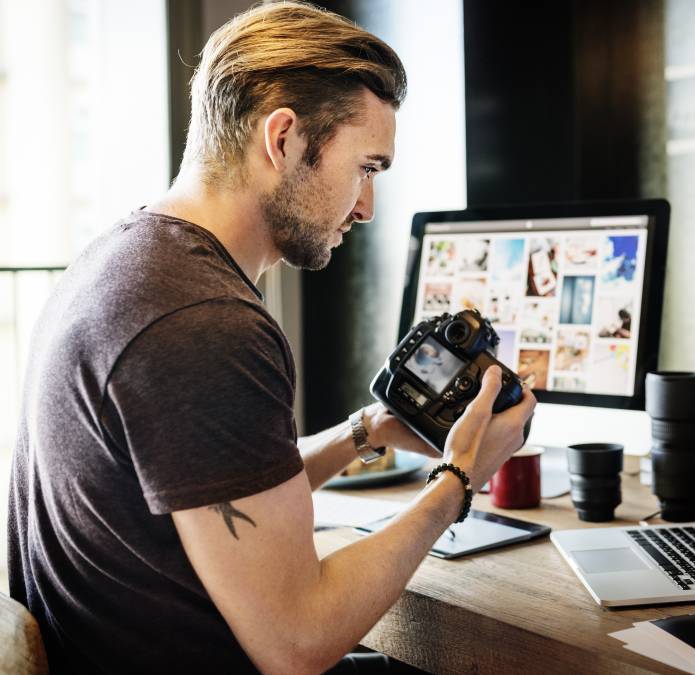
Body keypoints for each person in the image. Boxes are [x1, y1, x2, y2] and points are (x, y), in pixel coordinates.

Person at [6, 2, 536, 673]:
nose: (367, 207)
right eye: (366, 168)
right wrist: (459, 478)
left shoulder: (128, 260)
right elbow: (298, 641)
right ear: (283, 138)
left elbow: (215, 487)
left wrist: (364, 432)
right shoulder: (204, 324)